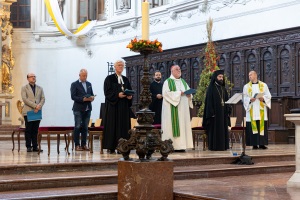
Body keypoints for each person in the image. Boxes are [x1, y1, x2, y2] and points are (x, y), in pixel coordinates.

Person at [103, 60, 133, 154]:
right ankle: (111, 146)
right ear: (115, 67)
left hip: (123, 107)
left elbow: (130, 90)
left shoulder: (126, 79)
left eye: (122, 65)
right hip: (113, 107)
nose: (121, 67)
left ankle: (123, 146)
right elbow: (107, 92)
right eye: (119, 65)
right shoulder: (109, 78)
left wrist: (130, 96)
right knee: (113, 126)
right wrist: (117, 95)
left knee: (123, 126)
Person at [161, 65, 193, 152]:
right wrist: (179, 93)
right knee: (173, 126)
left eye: (179, 69)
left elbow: (188, 90)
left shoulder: (183, 81)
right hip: (172, 109)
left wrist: (189, 95)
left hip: (183, 110)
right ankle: (172, 146)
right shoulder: (167, 82)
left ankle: (182, 146)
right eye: (176, 69)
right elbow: (166, 94)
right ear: (172, 71)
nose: (179, 70)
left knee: (183, 125)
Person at [203, 70, 231, 151]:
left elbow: (226, 100)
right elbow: (208, 101)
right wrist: (211, 112)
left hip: (223, 114)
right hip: (214, 115)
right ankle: (214, 146)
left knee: (223, 129)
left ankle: (223, 146)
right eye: (219, 77)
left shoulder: (223, 89)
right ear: (215, 78)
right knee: (215, 130)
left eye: (222, 77)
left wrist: (228, 108)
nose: (221, 78)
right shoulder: (211, 88)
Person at [243, 70, 271, 150]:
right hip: (252, 108)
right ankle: (254, 144)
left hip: (260, 109)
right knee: (252, 126)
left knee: (261, 126)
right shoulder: (246, 86)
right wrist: (249, 99)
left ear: (255, 75)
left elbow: (268, 96)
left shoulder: (263, 85)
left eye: (251, 75)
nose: (249, 77)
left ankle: (262, 144)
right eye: (249, 75)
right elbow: (244, 97)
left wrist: (263, 99)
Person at [70, 69, 95, 151]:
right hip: (78, 109)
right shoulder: (74, 84)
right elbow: (73, 97)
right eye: (83, 75)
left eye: (86, 75)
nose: (85, 77)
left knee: (85, 127)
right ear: (79, 75)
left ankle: (84, 144)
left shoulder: (89, 84)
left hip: (88, 108)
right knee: (77, 126)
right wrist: (83, 99)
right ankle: (77, 145)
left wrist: (92, 98)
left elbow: (91, 94)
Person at [21, 73, 45, 152]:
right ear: (28, 78)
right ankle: (28, 146)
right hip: (28, 111)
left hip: (37, 111)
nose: (33, 78)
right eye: (31, 77)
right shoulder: (24, 88)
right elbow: (25, 99)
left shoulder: (40, 88)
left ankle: (35, 146)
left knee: (35, 130)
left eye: (34, 76)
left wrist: (39, 106)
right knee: (28, 129)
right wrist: (35, 106)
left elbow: (43, 98)